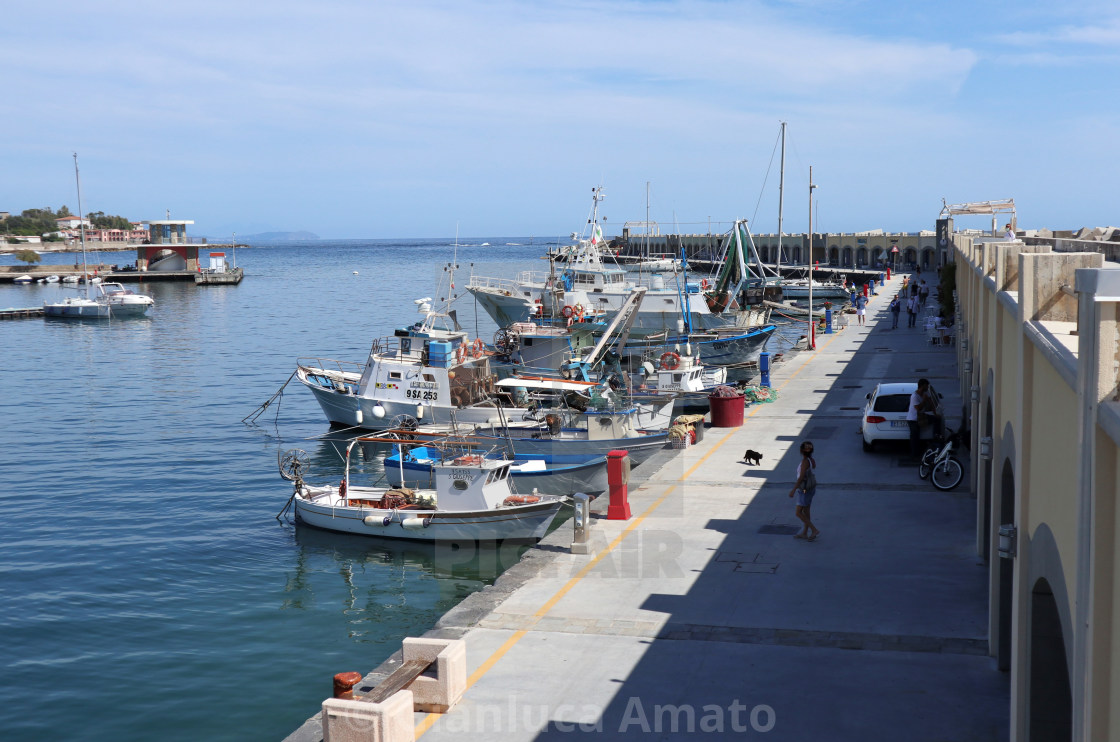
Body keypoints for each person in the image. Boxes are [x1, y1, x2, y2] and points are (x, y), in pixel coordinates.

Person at [789, 441, 820, 541]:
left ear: (801, 450)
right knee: (806, 511)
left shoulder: (805, 461)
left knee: (798, 513)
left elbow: (801, 477)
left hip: (805, 490)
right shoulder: (811, 460)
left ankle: (814, 530)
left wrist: (793, 490)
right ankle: (805, 533)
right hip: (811, 489)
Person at [907, 378, 943, 458]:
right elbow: (918, 408)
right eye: (927, 385)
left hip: (921, 417)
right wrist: (923, 400)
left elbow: (931, 404)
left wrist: (935, 413)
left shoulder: (926, 393)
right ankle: (914, 455)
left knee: (936, 419)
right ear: (923, 385)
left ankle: (936, 437)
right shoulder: (914, 396)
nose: (927, 387)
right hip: (913, 419)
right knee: (915, 437)